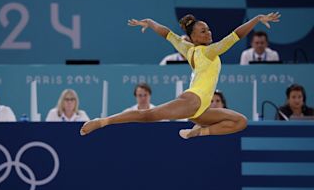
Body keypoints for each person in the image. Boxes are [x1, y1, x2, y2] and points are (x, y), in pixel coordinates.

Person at [80, 12, 281, 139]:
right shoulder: (208, 52)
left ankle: (198, 132)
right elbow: (235, 36)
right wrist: (256, 19)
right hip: (193, 100)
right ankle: (102, 121)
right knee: (148, 115)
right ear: (193, 37)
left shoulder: (188, 48)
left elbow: (168, 34)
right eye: (203, 32)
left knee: (240, 122)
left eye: (208, 30)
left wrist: (150, 22)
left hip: (202, 108)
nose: (208, 33)